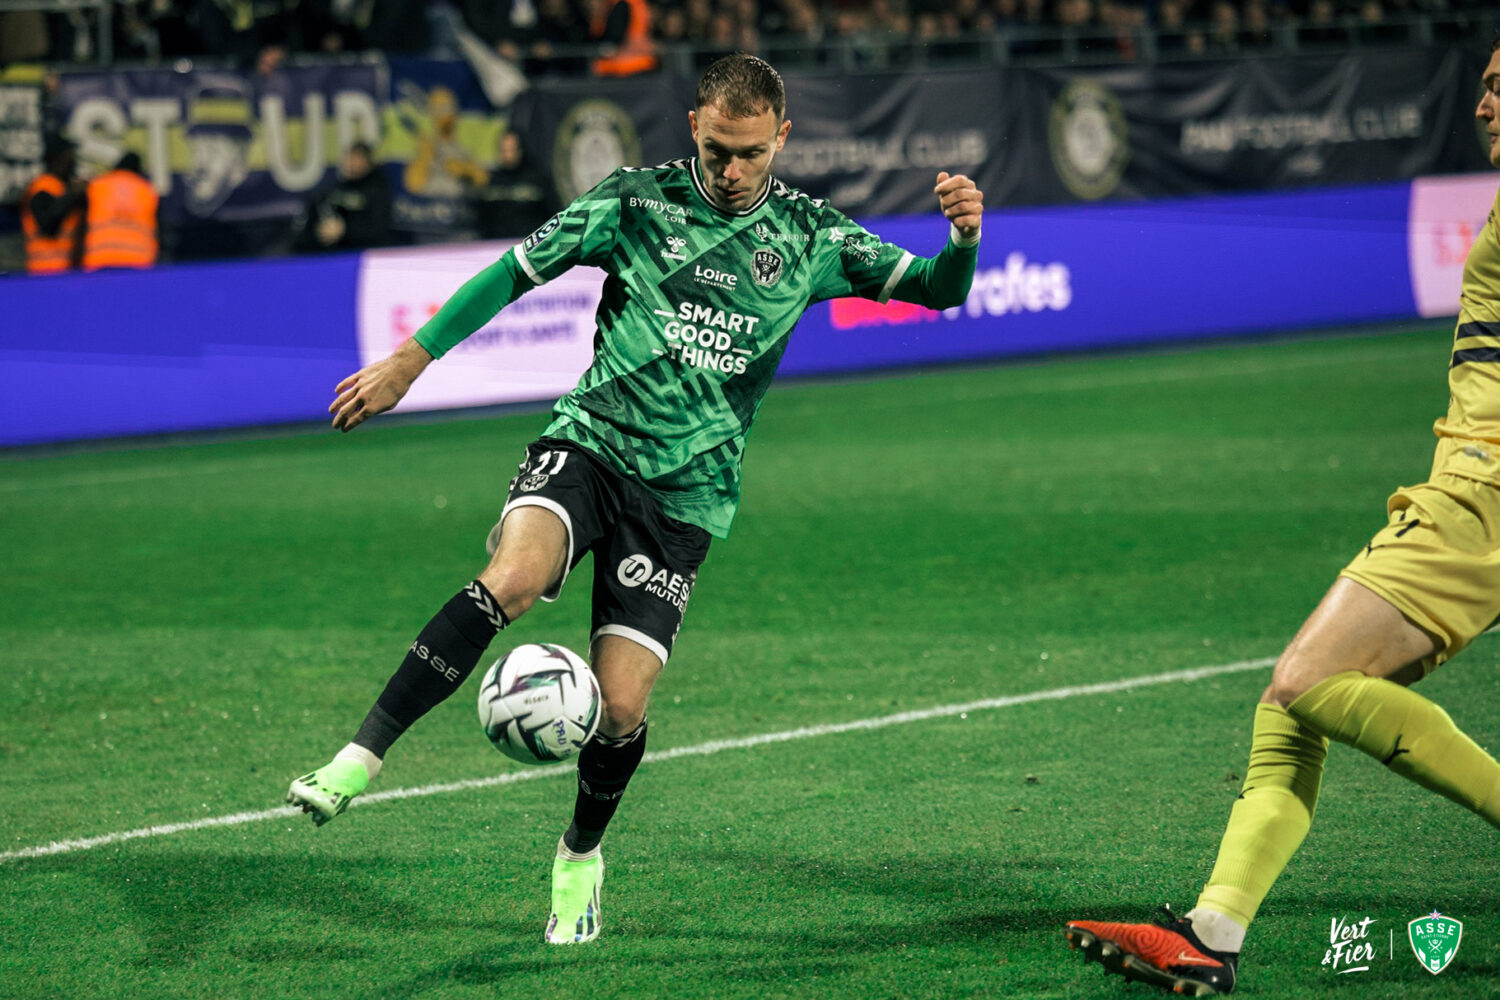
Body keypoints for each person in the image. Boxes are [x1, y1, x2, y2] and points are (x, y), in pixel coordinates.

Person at [287, 52, 984, 945]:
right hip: (591, 442)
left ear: (783, 138)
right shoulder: (633, 201)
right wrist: (408, 362)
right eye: (721, 150)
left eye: (752, 155)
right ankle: (358, 758)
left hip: (686, 496)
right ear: (695, 125)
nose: (734, 173)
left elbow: (934, 290)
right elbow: (512, 273)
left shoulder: (812, 238)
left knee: (620, 709)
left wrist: (962, 243)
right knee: (513, 575)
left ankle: (580, 855)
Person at [1062, 38, 1500, 997]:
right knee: (1285, 702)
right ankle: (1214, 930)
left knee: (1306, 680)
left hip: (1483, 494)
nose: (1484, 105)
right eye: (1484, 86)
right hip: (1472, 490)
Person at [297, 141, 392, 251]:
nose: (351, 163)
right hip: (336, 251)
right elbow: (320, 210)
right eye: (350, 158)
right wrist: (323, 229)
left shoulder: (378, 188)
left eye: (357, 158)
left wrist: (344, 229)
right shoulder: (339, 187)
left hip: (367, 252)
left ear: (368, 161)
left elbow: (378, 226)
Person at [82, 151, 159, 271]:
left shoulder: (97, 185)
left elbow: (82, 224)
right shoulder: (147, 190)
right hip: (138, 259)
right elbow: (157, 230)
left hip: (100, 258)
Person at [20, 135, 86, 275]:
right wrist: (72, 195)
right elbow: (47, 224)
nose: (74, 160)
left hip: (69, 273)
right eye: (69, 154)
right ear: (57, 158)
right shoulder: (42, 187)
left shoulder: (63, 187)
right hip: (45, 272)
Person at [474, 128, 555, 240]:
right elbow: (481, 219)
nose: (507, 155)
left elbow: (552, 216)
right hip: (494, 247)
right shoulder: (491, 182)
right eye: (503, 150)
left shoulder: (537, 180)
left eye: (511, 150)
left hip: (529, 246)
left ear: (521, 150)